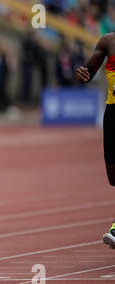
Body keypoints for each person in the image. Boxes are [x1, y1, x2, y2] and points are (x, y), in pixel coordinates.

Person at [75, 31, 115, 249]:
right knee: (113, 178)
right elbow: (89, 72)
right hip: (113, 115)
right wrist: (83, 73)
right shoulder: (108, 41)